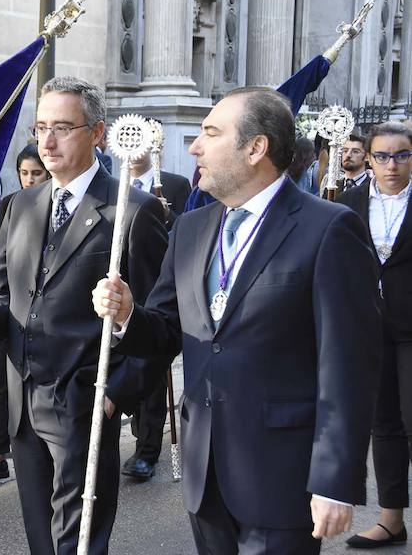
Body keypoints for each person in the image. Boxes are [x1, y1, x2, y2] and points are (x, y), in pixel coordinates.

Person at [93, 86, 381, 554]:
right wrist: (128, 314)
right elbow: (167, 332)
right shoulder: (190, 228)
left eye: (210, 132)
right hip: (205, 473)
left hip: (283, 478)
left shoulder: (328, 229)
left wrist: (335, 480)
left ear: (255, 148)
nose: (194, 146)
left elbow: (349, 365)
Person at [0, 76, 169, 554]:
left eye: (63, 128)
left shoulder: (132, 211)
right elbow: (2, 298)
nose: (47, 142)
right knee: (41, 541)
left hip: (85, 403)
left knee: (79, 542)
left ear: (96, 133)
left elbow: (158, 325)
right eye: (40, 128)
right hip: (22, 404)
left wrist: (113, 397)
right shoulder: (20, 205)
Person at [339, 122, 411, 550]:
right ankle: (391, 519)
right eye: (382, 156)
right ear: (369, 159)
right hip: (370, 327)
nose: (391, 165)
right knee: (383, 423)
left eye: (401, 155)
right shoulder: (348, 205)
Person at [0, 143, 50, 483]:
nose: (30, 180)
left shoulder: (54, 205)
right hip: (8, 306)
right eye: (24, 173)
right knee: (1, 382)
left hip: (41, 312)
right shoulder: (10, 204)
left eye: (36, 173)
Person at [121, 138, 191, 480]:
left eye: (139, 145)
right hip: (121, 287)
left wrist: (169, 214)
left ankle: (147, 450)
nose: (133, 152)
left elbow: (191, 229)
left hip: (157, 285)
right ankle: (136, 432)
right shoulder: (113, 181)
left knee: (151, 371)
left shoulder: (176, 184)